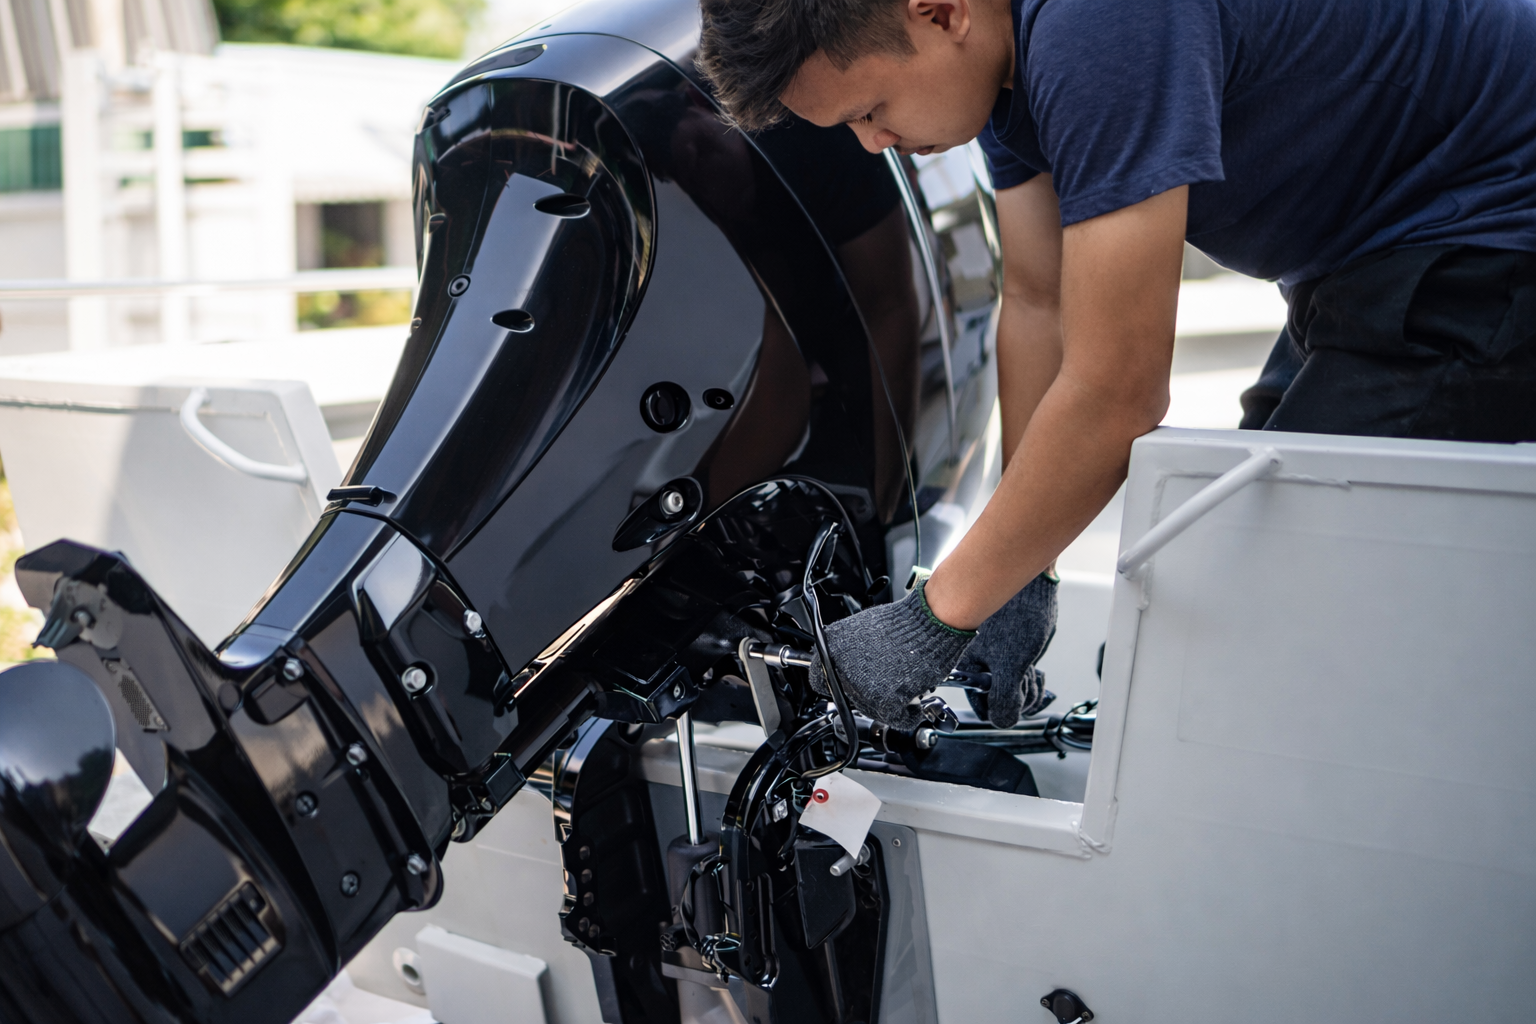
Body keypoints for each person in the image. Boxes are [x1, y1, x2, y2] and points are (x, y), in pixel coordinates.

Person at [695, 0, 1536, 728]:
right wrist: (1021, 572)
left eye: (869, 110)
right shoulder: (1006, 54)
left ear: (939, 11)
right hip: (1376, 252)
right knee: (1200, 606)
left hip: (1494, 231)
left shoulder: (1101, 27)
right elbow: (1038, 303)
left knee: (1264, 637)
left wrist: (933, 618)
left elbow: (1119, 393)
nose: (874, 145)